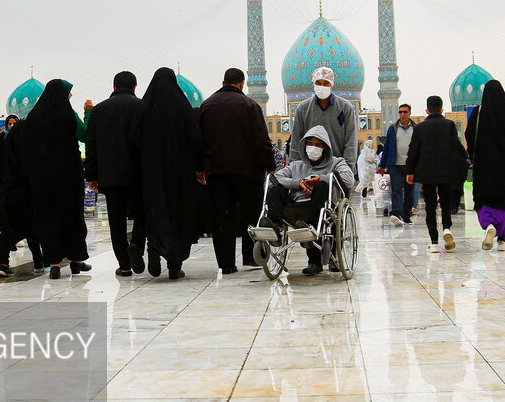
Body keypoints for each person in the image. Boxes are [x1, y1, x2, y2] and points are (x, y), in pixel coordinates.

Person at [198, 67, 276, 274]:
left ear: (223, 82)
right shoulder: (250, 105)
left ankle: (226, 263)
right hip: (248, 172)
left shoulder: (207, 106)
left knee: (222, 217)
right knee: (251, 215)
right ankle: (251, 257)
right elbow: (261, 140)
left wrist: (200, 168)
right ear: (242, 83)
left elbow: (199, 141)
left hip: (217, 172)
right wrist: (270, 166)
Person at [131, 68, 202, 280]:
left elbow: (133, 138)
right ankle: (174, 265)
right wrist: (199, 166)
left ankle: (154, 247)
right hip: (181, 174)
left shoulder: (145, 108)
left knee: (156, 209)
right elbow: (196, 138)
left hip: (151, 172)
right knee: (179, 213)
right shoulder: (182, 108)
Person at [20, 79, 90, 279]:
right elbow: (85, 135)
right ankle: (77, 260)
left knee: (48, 217)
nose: (70, 96)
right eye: (68, 93)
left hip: (43, 178)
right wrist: (87, 113)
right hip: (69, 174)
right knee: (72, 215)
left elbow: (25, 147)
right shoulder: (68, 114)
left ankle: (54, 263)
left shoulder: (34, 117)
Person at [262, 125, 355, 275]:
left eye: (317, 145)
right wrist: (297, 183)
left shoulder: (337, 162)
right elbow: (277, 178)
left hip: (323, 206)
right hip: (297, 206)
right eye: (310, 144)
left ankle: (316, 258)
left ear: (324, 147)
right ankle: (274, 228)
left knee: (322, 185)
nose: (313, 148)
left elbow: (348, 179)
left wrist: (319, 179)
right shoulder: (296, 165)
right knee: (275, 188)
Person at [85, 71, 147, 276]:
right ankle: (136, 246)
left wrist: (92, 176)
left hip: (110, 176)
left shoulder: (99, 110)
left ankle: (124, 263)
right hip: (137, 174)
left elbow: (91, 145)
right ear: (134, 87)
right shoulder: (142, 107)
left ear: (113, 87)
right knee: (141, 214)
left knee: (116, 220)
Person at [465, 79, 505, 252]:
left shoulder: (478, 112)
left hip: (484, 165)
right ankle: (502, 240)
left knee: (483, 198)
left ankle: (489, 225)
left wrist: (474, 155)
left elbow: (470, 135)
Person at [405, 95, 465, 253]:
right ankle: (447, 229)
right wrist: (466, 158)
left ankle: (434, 242)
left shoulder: (420, 128)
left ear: (427, 110)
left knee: (430, 208)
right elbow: (456, 146)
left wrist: (410, 172)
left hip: (427, 174)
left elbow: (413, 152)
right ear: (442, 109)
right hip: (446, 172)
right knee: (445, 203)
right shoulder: (449, 125)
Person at [288, 66, 359, 175]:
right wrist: (295, 170)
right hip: (309, 170)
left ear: (331, 84)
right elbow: (296, 142)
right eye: (319, 83)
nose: (322, 86)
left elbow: (350, 142)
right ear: (313, 84)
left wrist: (347, 169)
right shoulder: (303, 109)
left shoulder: (345, 108)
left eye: (325, 83)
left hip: (337, 169)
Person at [0, 119, 43, 277]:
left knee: (6, 230)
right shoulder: (30, 149)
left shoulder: (7, 150)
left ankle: (3, 264)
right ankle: (38, 262)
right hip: (26, 193)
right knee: (31, 229)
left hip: (7, 193)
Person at [378, 103, 417, 226]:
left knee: (409, 192)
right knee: (396, 190)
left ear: (410, 113)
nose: (402, 114)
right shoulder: (393, 128)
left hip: (411, 166)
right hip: (395, 165)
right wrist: (382, 165)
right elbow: (387, 148)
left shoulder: (415, 128)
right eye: (400, 112)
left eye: (405, 112)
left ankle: (407, 216)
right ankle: (397, 214)